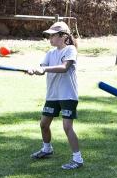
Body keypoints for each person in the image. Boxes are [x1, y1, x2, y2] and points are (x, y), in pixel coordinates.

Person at [27, 21, 83, 170]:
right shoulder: (50, 53)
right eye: (49, 36)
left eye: (52, 35)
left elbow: (64, 67)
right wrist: (34, 70)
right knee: (44, 124)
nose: (50, 38)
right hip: (52, 95)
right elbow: (42, 68)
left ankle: (78, 159)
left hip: (68, 95)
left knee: (67, 127)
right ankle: (47, 149)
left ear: (63, 36)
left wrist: (44, 69)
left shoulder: (70, 50)